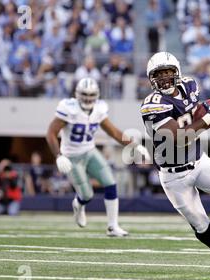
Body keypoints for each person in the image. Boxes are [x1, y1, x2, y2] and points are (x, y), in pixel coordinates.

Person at [140, 52, 210, 274]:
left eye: (168, 72)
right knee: (200, 224)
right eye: (158, 74)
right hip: (173, 176)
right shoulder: (152, 105)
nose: (163, 78)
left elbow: (194, 112)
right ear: (151, 78)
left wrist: (204, 111)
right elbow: (180, 138)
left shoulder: (190, 85)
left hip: (199, 161)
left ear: (177, 73)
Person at [46, 77, 150, 236]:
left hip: (89, 151)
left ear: (97, 95)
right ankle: (79, 204)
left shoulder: (100, 109)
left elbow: (113, 132)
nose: (88, 98)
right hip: (71, 156)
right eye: (85, 94)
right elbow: (51, 133)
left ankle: (112, 226)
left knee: (110, 182)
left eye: (91, 94)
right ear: (77, 94)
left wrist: (135, 146)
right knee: (87, 195)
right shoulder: (68, 108)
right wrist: (59, 156)